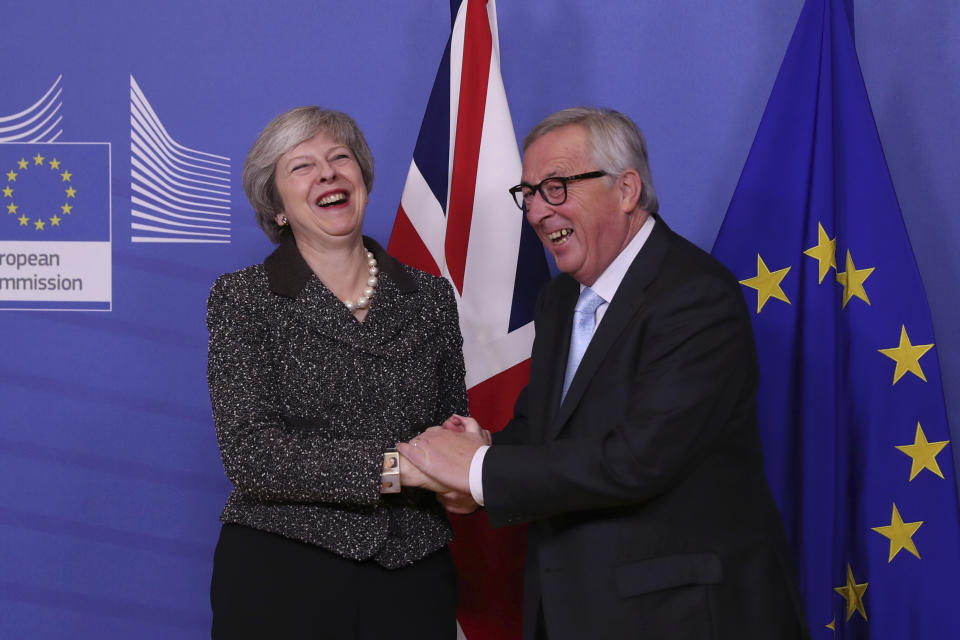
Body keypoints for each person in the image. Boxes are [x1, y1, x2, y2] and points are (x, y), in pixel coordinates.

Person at [398, 107, 811, 639]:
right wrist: (488, 446)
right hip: (573, 607)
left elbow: (638, 459)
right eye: (529, 194)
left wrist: (479, 471)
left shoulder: (695, 296)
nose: (539, 212)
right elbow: (545, 430)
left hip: (679, 618)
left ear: (626, 190)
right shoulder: (558, 299)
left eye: (556, 187)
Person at [206, 106, 465, 639]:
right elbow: (252, 456)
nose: (327, 173)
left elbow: (449, 436)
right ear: (277, 208)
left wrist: (465, 465)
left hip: (412, 576)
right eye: (302, 166)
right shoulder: (242, 300)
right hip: (282, 574)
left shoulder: (431, 299)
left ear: (362, 180)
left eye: (339, 158)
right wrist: (401, 467)